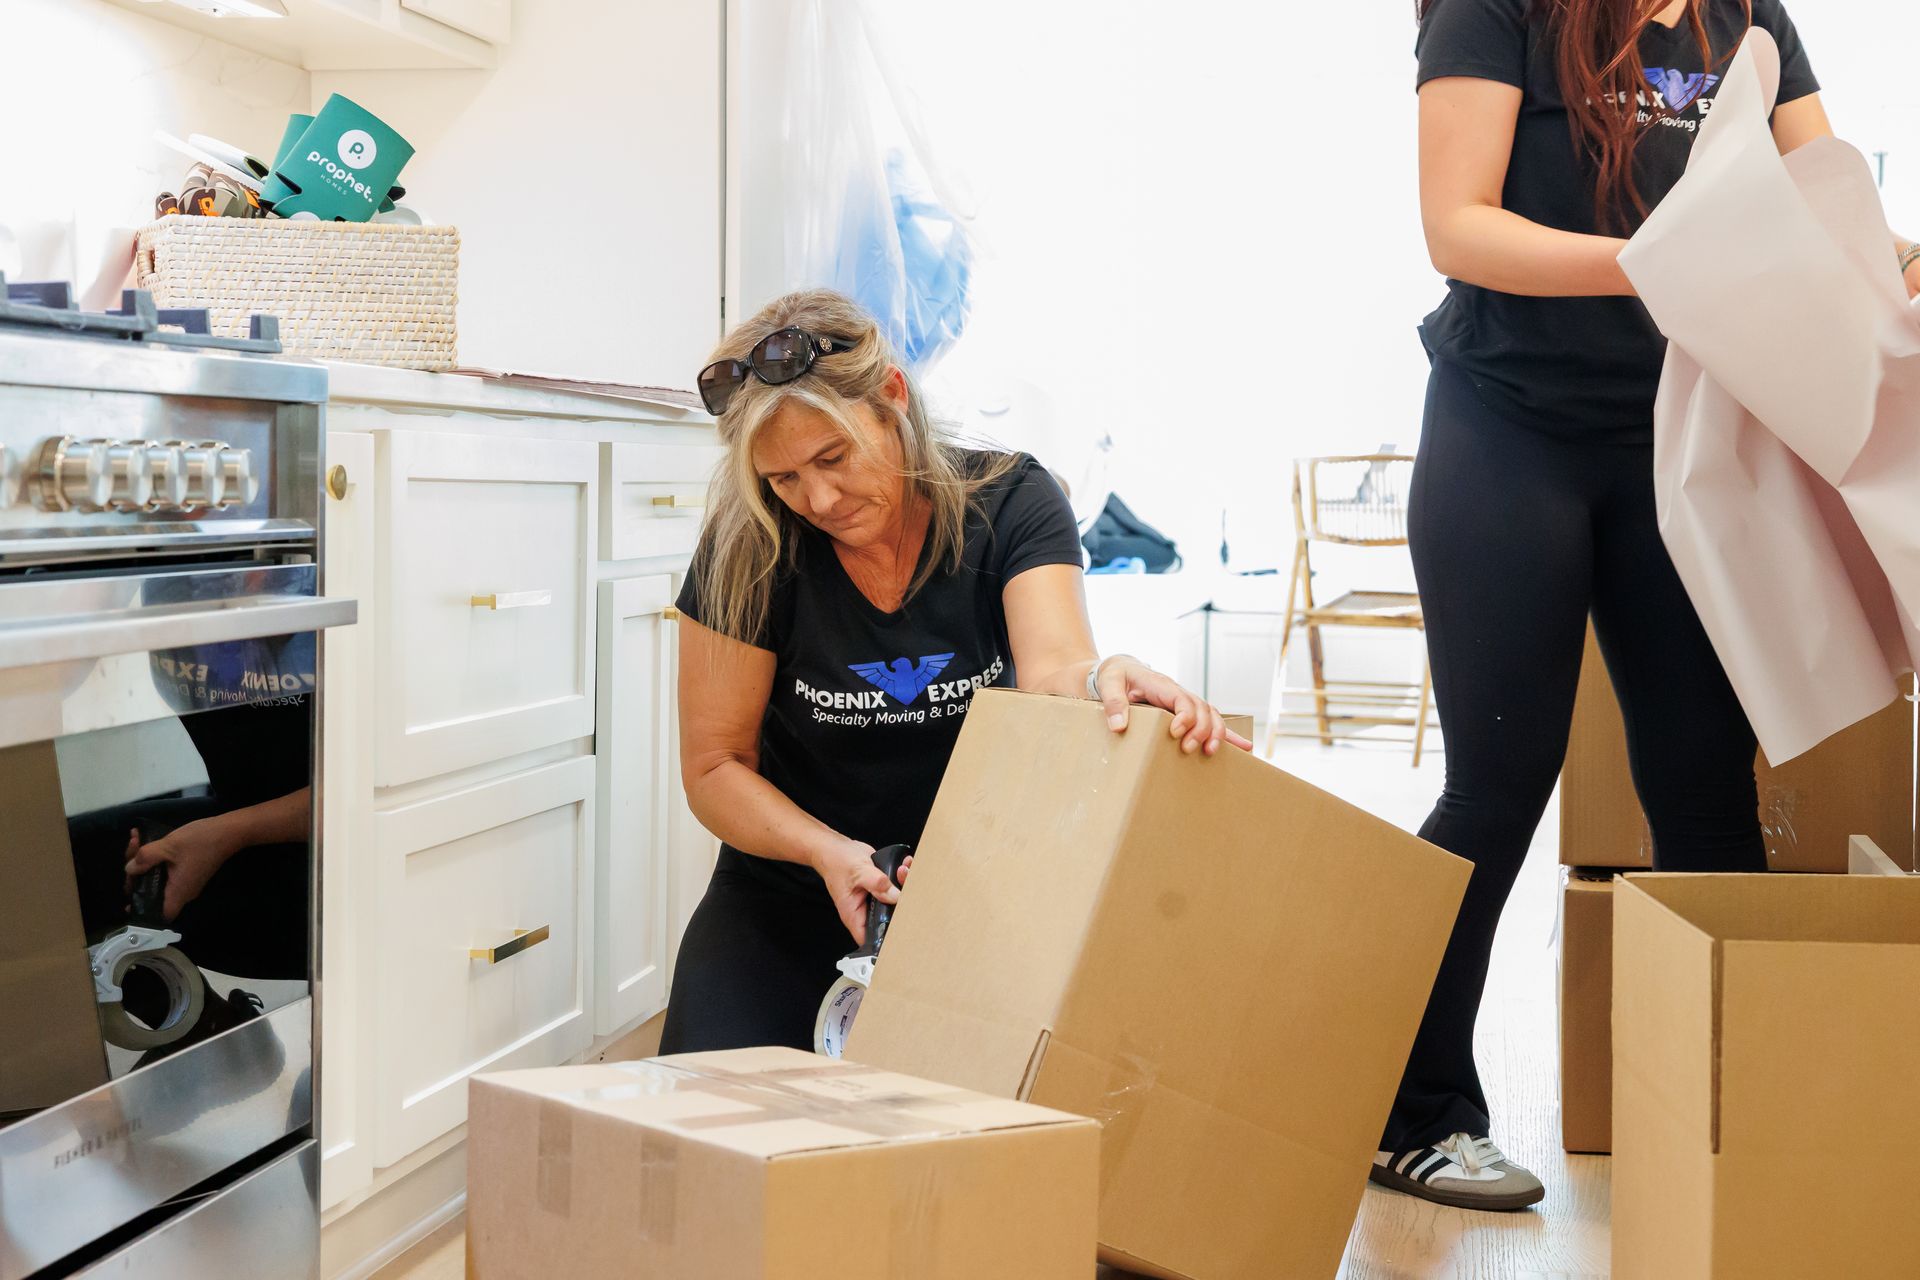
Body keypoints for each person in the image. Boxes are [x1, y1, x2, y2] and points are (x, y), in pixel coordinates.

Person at [1383, 0, 1920, 1212]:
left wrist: (1896, 267)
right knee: (1494, 789)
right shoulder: (1495, 8)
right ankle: (1415, 1111)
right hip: (1506, 426)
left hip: (1674, 439)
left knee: (1705, 789)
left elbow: (1825, 208)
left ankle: (1745, 1112)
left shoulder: (1747, 15)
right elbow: (1455, 227)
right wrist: (1656, 262)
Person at [658, 288, 1246, 1055]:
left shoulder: (1009, 501)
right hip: (792, 882)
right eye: (785, 479)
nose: (819, 499)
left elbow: (1053, 673)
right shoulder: (749, 545)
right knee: (705, 1134)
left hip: (978, 882)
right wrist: (828, 853)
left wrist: (1106, 674)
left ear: (892, 397)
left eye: (833, 458)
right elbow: (714, 766)